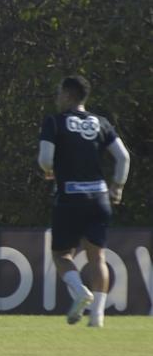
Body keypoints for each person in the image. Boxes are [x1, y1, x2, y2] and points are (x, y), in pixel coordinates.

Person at [38, 75, 130, 327]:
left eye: (59, 94)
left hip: (69, 196)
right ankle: (97, 316)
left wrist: (49, 170)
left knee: (61, 254)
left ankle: (80, 291)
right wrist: (117, 188)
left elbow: (46, 158)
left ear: (68, 95)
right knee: (97, 257)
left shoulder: (55, 122)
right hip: (99, 197)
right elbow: (123, 157)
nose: (57, 99)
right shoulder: (101, 123)